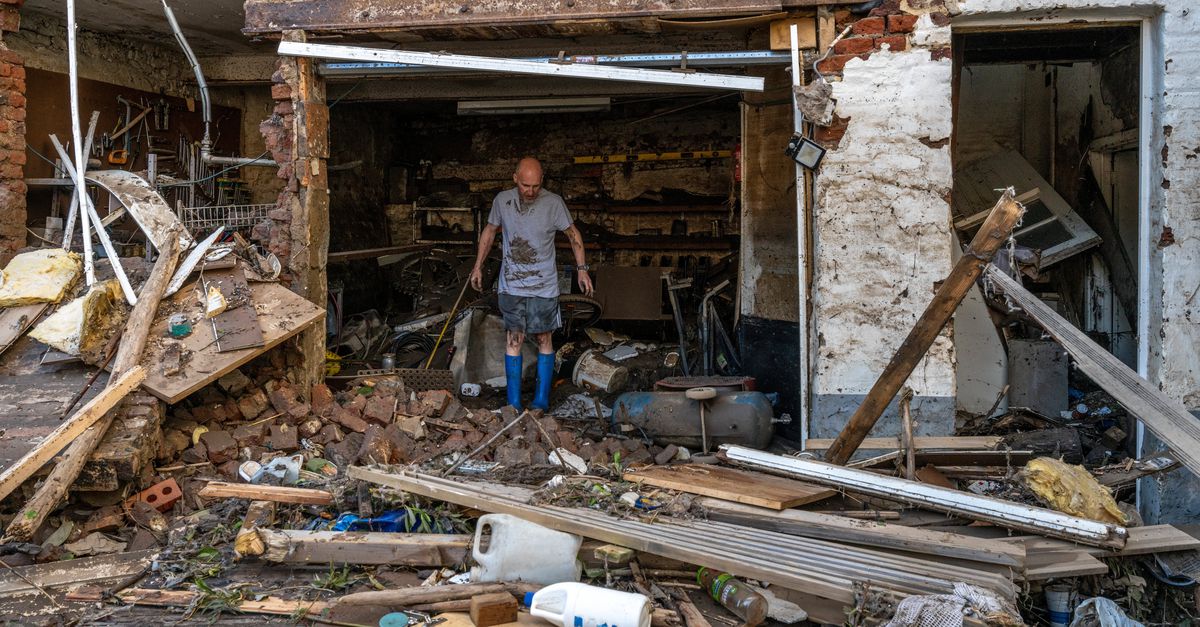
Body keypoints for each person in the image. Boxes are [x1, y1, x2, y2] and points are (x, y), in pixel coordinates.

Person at [469, 157, 593, 411]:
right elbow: (490, 231)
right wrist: (478, 265)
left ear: (542, 181)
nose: (530, 191)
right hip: (512, 286)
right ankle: (513, 403)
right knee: (514, 339)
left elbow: (573, 234)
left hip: (544, 286)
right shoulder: (502, 201)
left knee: (544, 337)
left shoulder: (553, 203)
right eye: (525, 185)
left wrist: (582, 271)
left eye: (536, 186)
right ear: (515, 178)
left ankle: (541, 401)